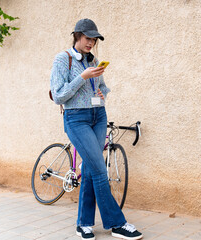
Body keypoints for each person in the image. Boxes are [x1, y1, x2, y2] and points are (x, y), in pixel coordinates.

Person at [50, 18, 143, 240]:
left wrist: (102, 93)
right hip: (76, 119)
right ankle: (117, 224)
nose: (91, 42)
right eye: (88, 38)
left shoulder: (95, 61)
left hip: (98, 116)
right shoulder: (63, 60)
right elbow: (59, 95)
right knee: (100, 169)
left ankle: (83, 224)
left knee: (92, 170)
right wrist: (82, 77)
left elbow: (102, 87)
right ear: (77, 36)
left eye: (94, 39)